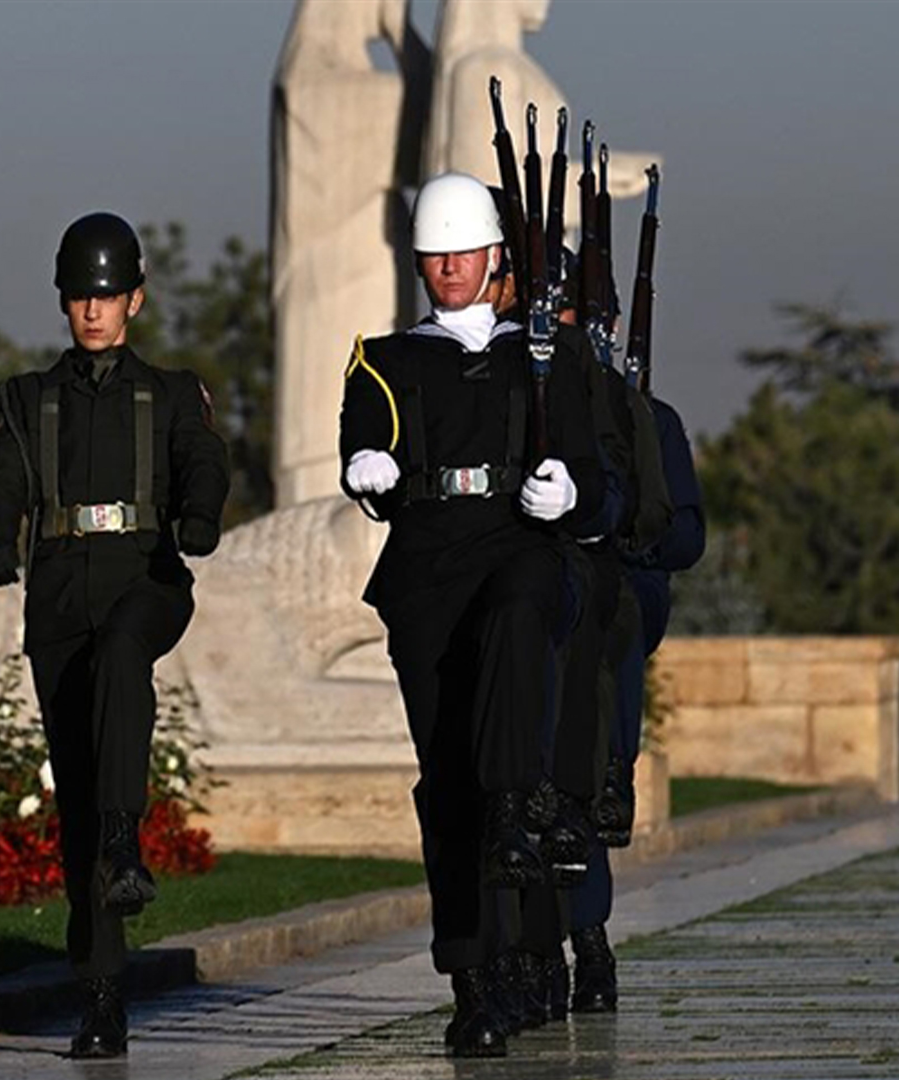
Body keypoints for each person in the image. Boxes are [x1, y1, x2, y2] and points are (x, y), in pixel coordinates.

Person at [338, 173, 603, 1058]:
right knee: (449, 783)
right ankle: (474, 979)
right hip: (427, 571)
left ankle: (521, 799)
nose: (450, 269)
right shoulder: (386, 356)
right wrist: (368, 464)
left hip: (517, 545)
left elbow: (595, 468)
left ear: (495, 257)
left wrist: (567, 485)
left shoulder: (547, 356)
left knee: (525, 601)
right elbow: (364, 428)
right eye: (435, 256)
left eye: (463, 253)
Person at [0, 211, 229, 1059]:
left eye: (108, 295)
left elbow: (205, 460)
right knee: (77, 789)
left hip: (148, 582)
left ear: (136, 300)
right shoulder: (26, 399)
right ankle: (103, 995)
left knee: (126, 652)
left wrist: (198, 518)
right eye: (81, 296)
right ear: (64, 302)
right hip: (58, 597)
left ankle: (128, 836)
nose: (94, 310)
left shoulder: (170, 392)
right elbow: (2, 475)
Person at [566, 387, 705, 1011]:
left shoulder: (648, 418)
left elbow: (686, 537)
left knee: (589, 753)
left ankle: (589, 939)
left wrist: (624, 532)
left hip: (614, 599)